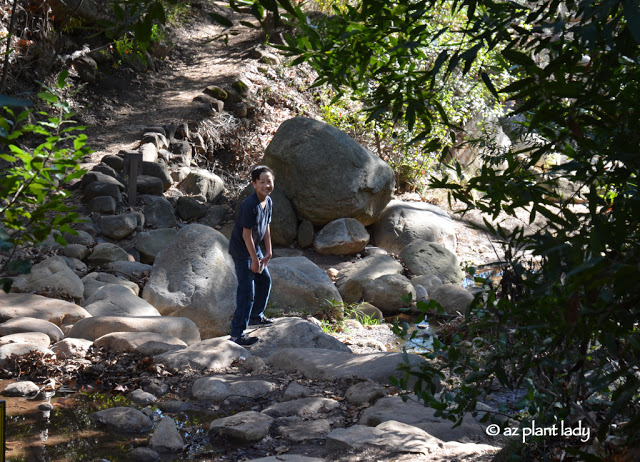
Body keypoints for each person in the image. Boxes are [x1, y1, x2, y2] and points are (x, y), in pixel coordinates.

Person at [227, 165, 276, 346]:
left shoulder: (268, 201)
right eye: (262, 182)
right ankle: (236, 335)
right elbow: (246, 235)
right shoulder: (249, 206)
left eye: (269, 181)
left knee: (265, 281)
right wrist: (254, 260)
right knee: (247, 291)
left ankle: (256, 315)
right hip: (242, 251)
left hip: (255, 248)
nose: (266, 185)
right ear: (254, 184)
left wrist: (269, 251)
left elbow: (266, 227)